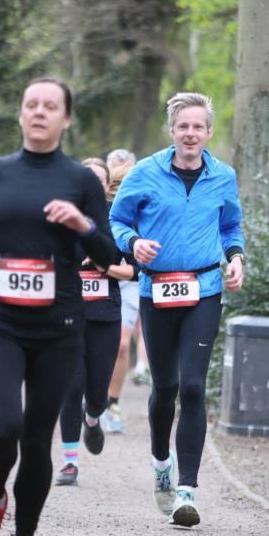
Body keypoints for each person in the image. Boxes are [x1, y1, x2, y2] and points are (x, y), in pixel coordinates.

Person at [0, 77, 115, 536]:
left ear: (66, 119)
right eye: (31, 105)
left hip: (59, 323)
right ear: (20, 115)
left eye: (50, 106)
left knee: (37, 439)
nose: (39, 112)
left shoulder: (80, 181)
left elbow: (110, 257)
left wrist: (83, 227)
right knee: (2, 428)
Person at [110, 92, 245, 527]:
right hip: (157, 289)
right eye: (183, 126)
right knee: (164, 387)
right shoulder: (145, 173)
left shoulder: (223, 176)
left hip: (204, 289)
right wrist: (134, 244)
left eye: (198, 126)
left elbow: (230, 225)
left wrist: (237, 257)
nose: (190, 133)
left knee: (192, 387)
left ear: (209, 132)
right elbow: (116, 221)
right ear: (172, 131)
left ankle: (187, 490)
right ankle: (161, 464)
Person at [56, 158, 135, 485]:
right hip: (68, 316)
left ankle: (94, 417)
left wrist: (106, 267)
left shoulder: (117, 218)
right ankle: (70, 463)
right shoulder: (60, 216)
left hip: (104, 314)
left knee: (97, 393)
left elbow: (133, 270)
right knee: (71, 386)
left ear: (105, 185)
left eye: (97, 178)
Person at [103, 155, 143, 434]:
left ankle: (112, 402)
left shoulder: (146, 208)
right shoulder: (101, 207)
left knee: (120, 344)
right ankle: (87, 396)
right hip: (97, 279)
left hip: (129, 280)